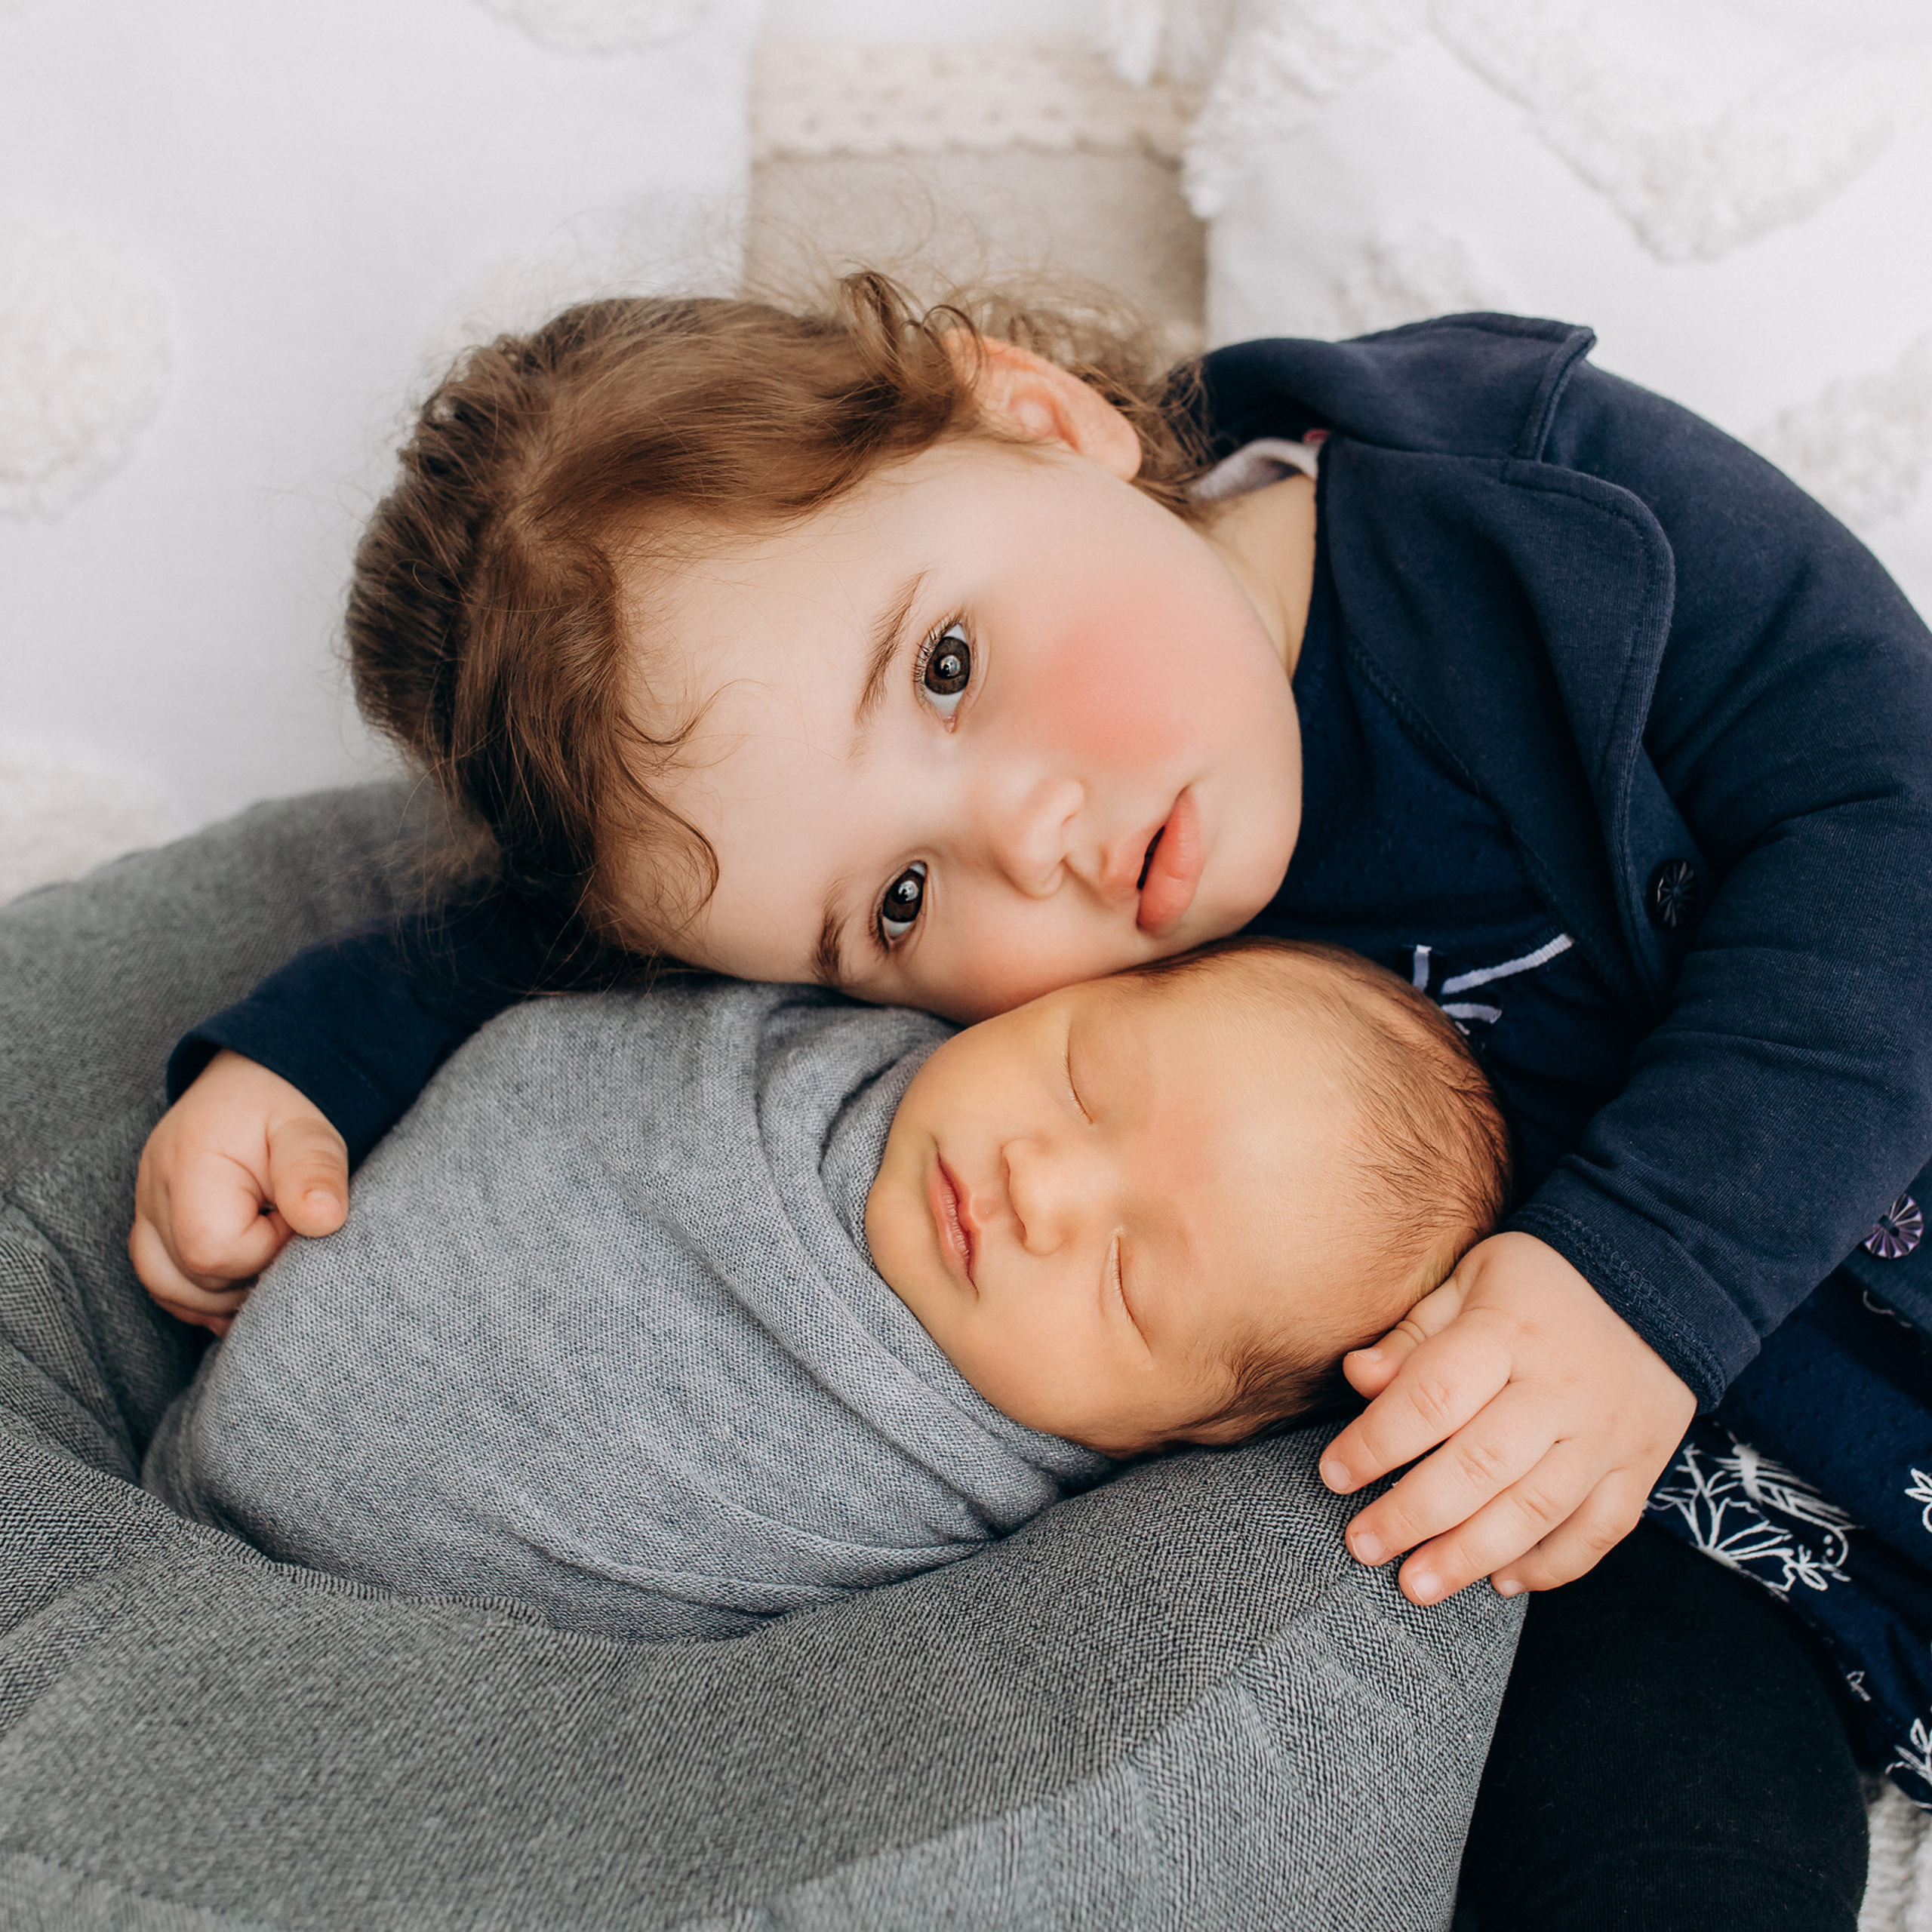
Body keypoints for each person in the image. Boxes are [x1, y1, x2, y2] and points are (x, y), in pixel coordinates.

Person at [128, 278, 1930, 1926]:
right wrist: (298, 1061)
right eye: (899, 903)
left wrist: (1635, 1275)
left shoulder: (1531, 507)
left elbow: (1886, 824)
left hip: (1800, 1253)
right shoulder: (905, 946)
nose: (1021, 838)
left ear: (1039, 418)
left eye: (946, 668)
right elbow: (539, 937)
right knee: (1645, 1839)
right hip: (1653, 1548)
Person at [145, 938, 1510, 1638]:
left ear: (1194, 1427)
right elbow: (527, 946)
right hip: (205, 1404)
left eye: (1127, 1275)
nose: (1044, 1186)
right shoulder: (829, 998)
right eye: (1086, 1079)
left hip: (334, 1655)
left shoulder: (997, 1530)